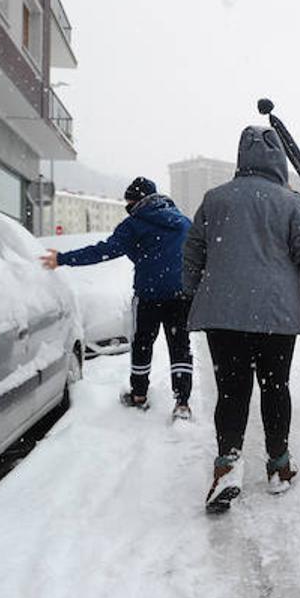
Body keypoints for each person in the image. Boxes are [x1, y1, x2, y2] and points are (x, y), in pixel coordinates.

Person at [183, 126, 300, 513]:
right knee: (275, 387)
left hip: (224, 314)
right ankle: (278, 466)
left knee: (232, 390)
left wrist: (192, 291)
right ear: (278, 160)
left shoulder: (215, 199)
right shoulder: (289, 201)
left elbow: (192, 252)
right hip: (276, 313)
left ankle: (228, 464)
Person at [41, 177, 194, 420]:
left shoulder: (134, 224)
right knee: (180, 347)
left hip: (149, 296)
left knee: (142, 343)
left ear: (136, 201)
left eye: (128, 202)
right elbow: (198, 254)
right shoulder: (183, 222)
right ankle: (182, 403)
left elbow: (103, 251)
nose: (127, 207)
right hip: (180, 295)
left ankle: (139, 395)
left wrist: (63, 259)